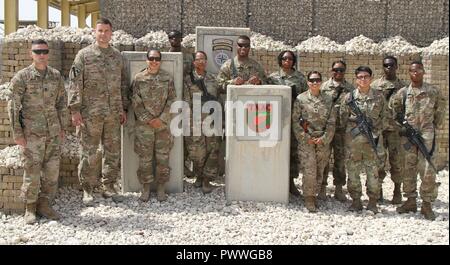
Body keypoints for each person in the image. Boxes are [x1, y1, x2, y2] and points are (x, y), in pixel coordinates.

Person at [68, 18, 129, 206]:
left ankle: (108, 186)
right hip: (90, 113)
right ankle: (87, 188)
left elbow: (123, 84)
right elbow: (74, 83)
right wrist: (75, 109)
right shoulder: (84, 55)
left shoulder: (117, 56)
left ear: (112, 33)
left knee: (112, 152)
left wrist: (123, 108)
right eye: (100, 30)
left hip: (112, 113)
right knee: (89, 151)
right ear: (95, 32)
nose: (103, 34)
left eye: (106, 31)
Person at [8, 39, 67, 224]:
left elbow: (61, 104)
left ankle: (45, 205)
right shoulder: (22, 77)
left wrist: (62, 128)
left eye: (44, 51)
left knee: (51, 172)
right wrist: (17, 134)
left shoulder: (56, 76)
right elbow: (13, 107)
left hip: (53, 133)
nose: (41, 55)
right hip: (31, 135)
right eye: (37, 51)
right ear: (31, 54)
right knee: (32, 171)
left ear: (48, 53)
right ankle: (30, 208)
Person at [390, 61, 445, 220]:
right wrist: (402, 128)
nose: (416, 73)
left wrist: (434, 126)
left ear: (423, 71)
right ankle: (410, 200)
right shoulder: (402, 93)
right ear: (409, 73)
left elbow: (440, 110)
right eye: (412, 71)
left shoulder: (433, 91)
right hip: (408, 136)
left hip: (427, 135)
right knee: (408, 167)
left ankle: (427, 204)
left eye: (418, 70)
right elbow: (394, 112)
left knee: (428, 168)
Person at [131, 49, 176, 202]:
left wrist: (161, 119)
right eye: (151, 58)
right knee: (145, 158)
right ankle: (145, 188)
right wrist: (149, 119)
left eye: (157, 59)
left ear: (160, 61)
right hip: (144, 127)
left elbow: (172, 100)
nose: (154, 61)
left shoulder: (167, 78)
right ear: (146, 60)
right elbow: (135, 102)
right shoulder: (139, 78)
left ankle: (161, 187)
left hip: (162, 126)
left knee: (163, 157)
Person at [340, 66, 386, 213]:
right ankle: (356, 201)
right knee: (353, 171)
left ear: (371, 78)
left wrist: (375, 132)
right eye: (360, 77)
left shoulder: (379, 97)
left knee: (373, 172)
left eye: (366, 76)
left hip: (372, 142)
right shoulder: (349, 98)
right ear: (356, 79)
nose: (363, 79)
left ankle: (373, 201)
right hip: (353, 143)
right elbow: (342, 119)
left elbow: (386, 118)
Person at [292, 71, 336, 212]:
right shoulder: (301, 99)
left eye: (317, 80)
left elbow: (332, 121)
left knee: (319, 170)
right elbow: (295, 121)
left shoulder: (328, 100)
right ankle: (309, 198)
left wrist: (324, 139)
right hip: (307, 141)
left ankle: (314, 193)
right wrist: (306, 138)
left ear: (321, 81)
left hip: (322, 141)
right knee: (309, 170)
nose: (315, 83)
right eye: (312, 80)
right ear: (308, 82)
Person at [267, 50, 307, 196]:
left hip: (293, 120)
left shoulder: (300, 79)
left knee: (292, 151)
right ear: (280, 60)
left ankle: (290, 182)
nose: (287, 61)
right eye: (284, 58)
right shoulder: (272, 78)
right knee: (274, 150)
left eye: (290, 59)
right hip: (276, 121)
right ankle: (274, 181)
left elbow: (305, 99)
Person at [371, 56, 407, 204]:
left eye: (391, 65)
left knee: (397, 161)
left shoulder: (404, 88)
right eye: (386, 66)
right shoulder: (375, 86)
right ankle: (378, 190)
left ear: (396, 67)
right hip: (379, 129)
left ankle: (397, 190)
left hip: (395, 130)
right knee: (378, 160)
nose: (388, 68)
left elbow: (407, 108)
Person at [183, 51, 220, 193]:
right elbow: (185, 101)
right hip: (195, 121)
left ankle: (206, 179)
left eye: (203, 59)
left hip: (211, 120)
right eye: (198, 59)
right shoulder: (188, 80)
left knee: (212, 150)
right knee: (197, 152)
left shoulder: (212, 78)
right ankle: (199, 175)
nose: (201, 61)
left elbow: (219, 92)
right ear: (193, 62)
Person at [320, 60, 355, 202]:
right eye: (336, 70)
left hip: (342, 129)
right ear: (331, 70)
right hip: (327, 129)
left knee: (340, 160)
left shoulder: (350, 89)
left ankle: (339, 188)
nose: (338, 73)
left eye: (341, 70)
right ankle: (322, 187)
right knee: (324, 159)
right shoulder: (324, 87)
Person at [167, 30, 196, 179]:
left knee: (185, 130)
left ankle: (185, 164)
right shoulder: (164, 56)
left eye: (176, 37)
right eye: (171, 37)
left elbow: (192, 75)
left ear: (181, 39)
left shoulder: (188, 56)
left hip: (184, 96)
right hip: (168, 98)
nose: (174, 40)